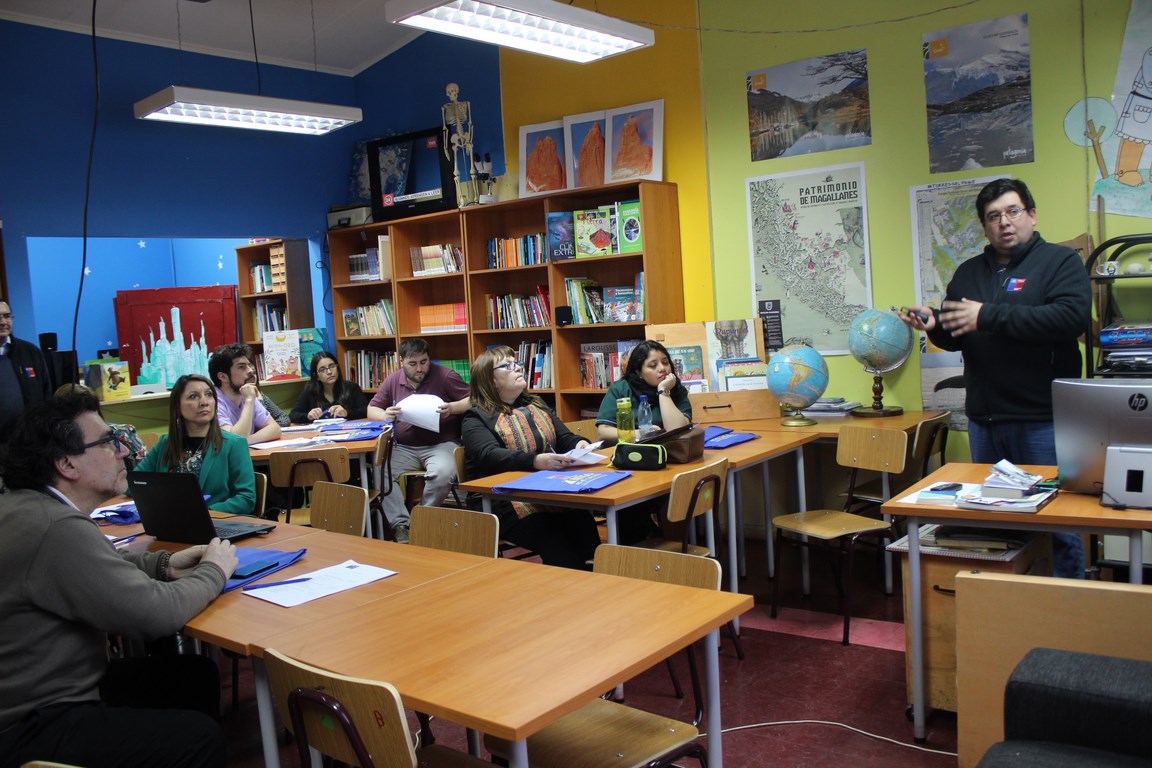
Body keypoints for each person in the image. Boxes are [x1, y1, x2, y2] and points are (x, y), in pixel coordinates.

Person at [0, 392, 239, 768]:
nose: (123, 450)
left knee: (192, 676)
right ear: (66, 464)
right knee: (198, 739)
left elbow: (102, 563)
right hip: (33, 723)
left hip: (28, 700)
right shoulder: (56, 528)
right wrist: (215, 570)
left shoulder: (27, 507)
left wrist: (164, 565)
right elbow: (156, 615)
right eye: (108, 442)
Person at [897, 177, 1091, 579]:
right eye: (993, 216)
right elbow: (953, 336)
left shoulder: (1059, 262)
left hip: (1043, 420)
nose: (1004, 222)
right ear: (985, 227)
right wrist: (933, 323)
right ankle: (1005, 606)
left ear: (1032, 215)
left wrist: (986, 315)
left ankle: (1069, 607)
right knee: (995, 523)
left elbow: (1071, 319)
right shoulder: (969, 272)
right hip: (985, 420)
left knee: (1056, 520)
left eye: (1013, 211)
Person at [461, 346, 601, 570]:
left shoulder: (536, 404)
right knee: (557, 542)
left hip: (547, 492)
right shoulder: (476, 417)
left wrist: (580, 445)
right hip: (503, 502)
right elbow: (490, 455)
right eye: (507, 366)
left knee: (582, 521)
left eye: (516, 363)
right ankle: (571, 590)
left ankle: (598, 581)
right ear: (490, 380)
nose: (517, 368)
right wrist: (535, 461)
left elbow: (564, 437)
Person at [367, 338, 470, 543]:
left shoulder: (445, 376)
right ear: (402, 362)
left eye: (423, 362)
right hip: (404, 447)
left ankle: (421, 519)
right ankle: (401, 526)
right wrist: (385, 414)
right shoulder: (393, 380)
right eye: (412, 364)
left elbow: (475, 399)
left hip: (441, 444)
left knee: (442, 473)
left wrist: (452, 408)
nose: (419, 368)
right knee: (380, 468)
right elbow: (372, 409)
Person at [133, 374, 257, 516]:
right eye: (193, 396)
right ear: (178, 407)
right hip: (170, 522)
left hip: (218, 524)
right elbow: (135, 484)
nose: (204, 402)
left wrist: (205, 513)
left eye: (209, 395)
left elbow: (246, 499)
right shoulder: (166, 443)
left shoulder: (234, 444)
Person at [596, 340, 692, 442]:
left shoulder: (676, 388)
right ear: (639, 373)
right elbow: (603, 431)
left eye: (665, 362)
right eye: (653, 365)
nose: (662, 368)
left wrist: (663, 391)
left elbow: (677, 431)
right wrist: (640, 433)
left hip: (669, 451)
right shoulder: (621, 389)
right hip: (628, 450)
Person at [208, 343, 282, 445]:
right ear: (223, 377)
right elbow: (234, 440)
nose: (250, 370)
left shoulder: (246, 394)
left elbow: (275, 429)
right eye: (241, 367)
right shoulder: (213, 402)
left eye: (249, 365)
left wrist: (246, 441)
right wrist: (249, 400)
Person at [0, 299, 51, 435]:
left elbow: (46, 394)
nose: (3, 322)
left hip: (30, 439)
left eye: (6, 316)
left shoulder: (30, 352)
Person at [289, 351, 369, 424]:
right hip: (320, 435)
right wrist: (308, 416)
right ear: (316, 376)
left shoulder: (352, 388)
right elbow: (293, 415)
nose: (329, 372)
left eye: (332, 366)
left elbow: (365, 411)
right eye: (323, 369)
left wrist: (347, 413)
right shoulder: (310, 391)